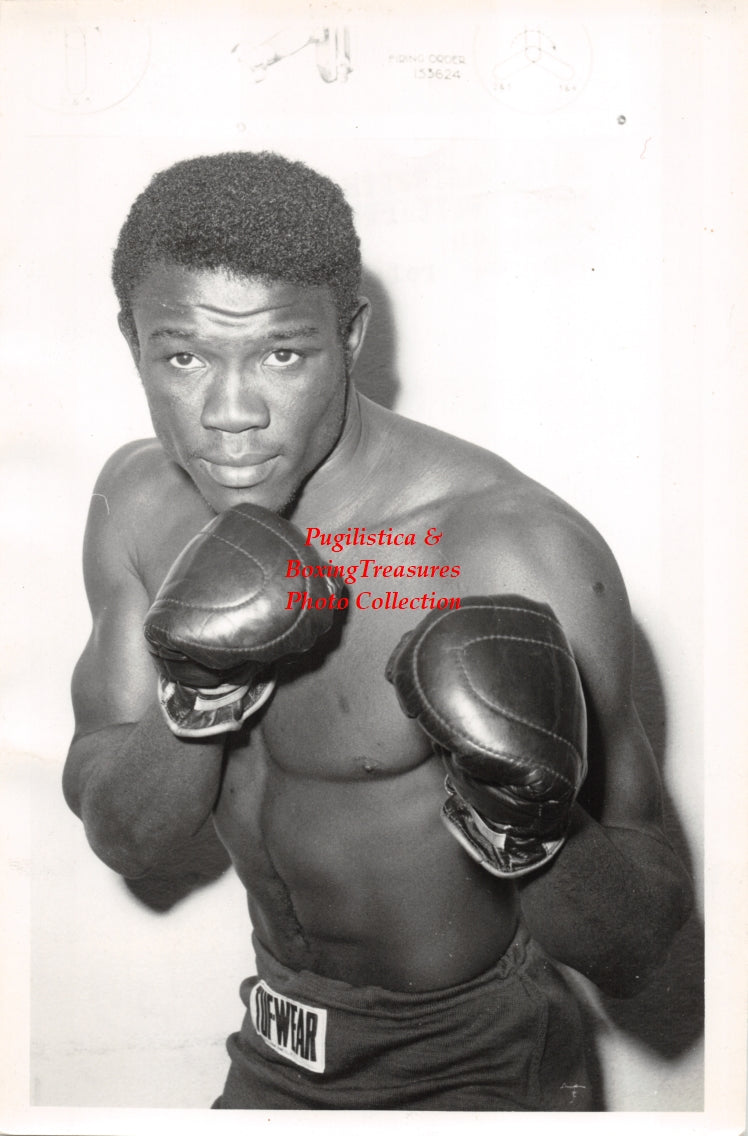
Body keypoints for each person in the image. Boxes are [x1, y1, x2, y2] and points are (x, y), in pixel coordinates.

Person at [63, 151, 692, 1111]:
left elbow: (643, 943)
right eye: (184, 354)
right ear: (132, 340)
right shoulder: (140, 506)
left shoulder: (510, 553)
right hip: (274, 1045)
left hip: (477, 1060)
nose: (232, 415)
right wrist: (196, 699)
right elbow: (127, 838)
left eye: (282, 352)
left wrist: (532, 823)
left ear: (350, 336)